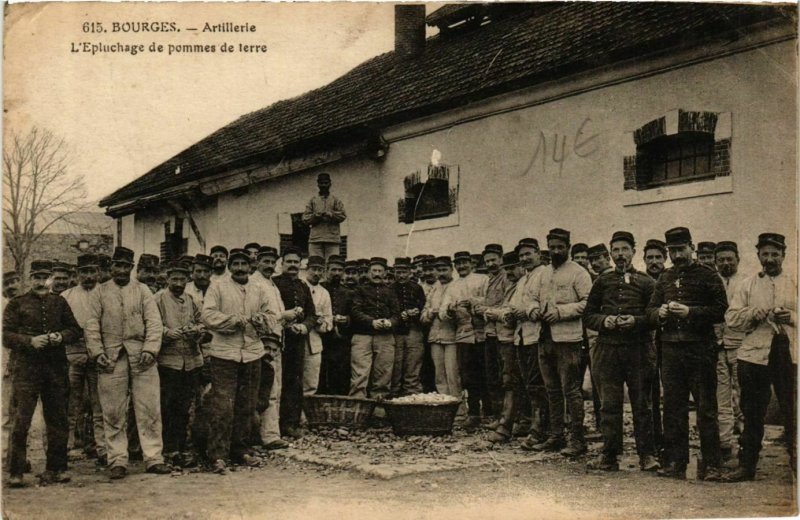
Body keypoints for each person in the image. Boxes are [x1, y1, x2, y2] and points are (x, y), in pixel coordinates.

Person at [646, 227, 728, 481]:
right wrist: (658, 313)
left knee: (706, 408)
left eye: (681, 250)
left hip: (700, 350)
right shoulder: (665, 277)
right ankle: (675, 463)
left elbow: (720, 310)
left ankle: (712, 464)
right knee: (673, 408)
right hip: (670, 350)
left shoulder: (709, 275)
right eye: (673, 251)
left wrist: (690, 313)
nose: (677, 255)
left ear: (691, 247)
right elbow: (649, 310)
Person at [85, 246, 171, 480]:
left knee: (149, 408)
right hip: (111, 358)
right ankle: (117, 460)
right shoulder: (99, 293)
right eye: (117, 266)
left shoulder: (143, 291)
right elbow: (91, 325)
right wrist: (97, 353)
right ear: (111, 267)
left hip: (142, 357)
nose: (121, 270)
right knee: (113, 411)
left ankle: (153, 458)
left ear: (132, 268)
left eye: (126, 266)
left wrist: (150, 350)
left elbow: (154, 323)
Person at [583, 232, 659, 472]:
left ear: (634, 252)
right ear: (611, 253)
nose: (620, 255)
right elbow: (589, 315)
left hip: (639, 350)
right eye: (616, 250)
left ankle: (647, 455)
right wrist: (605, 322)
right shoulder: (602, 282)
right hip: (608, 351)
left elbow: (655, 316)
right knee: (610, 405)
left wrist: (635, 322)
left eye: (625, 249)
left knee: (641, 404)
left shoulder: (647, 282)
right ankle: (609, 455)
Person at [724, 233, 796, 481]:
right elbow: (731, 319)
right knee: (752, 411)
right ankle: (747, 466)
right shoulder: (748, 285)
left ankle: (796, 467)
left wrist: (792, 317)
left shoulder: (794, 282)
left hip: (788, 353)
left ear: (783, 255)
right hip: (754, 355)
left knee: (793, 410)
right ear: (758, 256)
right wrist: (754, 313)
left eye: (775, 254)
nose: (770, 259)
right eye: (765, 254)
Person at [3, 260, 82, 488]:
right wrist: (30, 341)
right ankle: (16, 472)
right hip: (26, 371)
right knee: (21, 420)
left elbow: (76, 330)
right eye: (36, 277)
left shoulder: (60, 302)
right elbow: (5, 336)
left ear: (50, 279)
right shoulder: (17, 304)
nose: (41, 282)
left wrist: (61, 336)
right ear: (30, 279)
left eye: (45, 278)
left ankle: (57, 468)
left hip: (55, 370)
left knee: (57, 420)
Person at [201, 249, 274, 473]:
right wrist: (233, 321)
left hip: (252, 353)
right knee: (223, 405)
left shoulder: (259, 288)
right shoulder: (218, 286)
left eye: (244, 264)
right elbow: (208, 315)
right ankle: (217, 454)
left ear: (251, 266)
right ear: (230, 266)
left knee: (247, 404)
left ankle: (240, 448)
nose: (240, 268)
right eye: (236, 264)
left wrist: (262, 320)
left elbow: (272, 316)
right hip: (225, 353)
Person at [528, 229, 593, 457]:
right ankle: (556, 436)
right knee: (552, 390)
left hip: (568, 340)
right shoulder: (543, 273)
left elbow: (588, 303)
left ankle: (577, 440)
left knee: (571, 390)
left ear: (568, 247)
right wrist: (534, 310)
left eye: (560, 247)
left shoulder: (579, 273)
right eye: (552, 247)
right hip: (544, 338)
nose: (555, 251)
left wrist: (561, 312)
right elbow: (531, 298)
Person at [154, 262, 206, 468]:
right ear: (167, 279)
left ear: (188, 280)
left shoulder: (191, 300)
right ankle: (169, 449)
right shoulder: (158, 299)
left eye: (182, 279)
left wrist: (197, 330)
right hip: (168, 362)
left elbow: (203, 322)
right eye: (174, 279)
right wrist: (166, 332)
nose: (178, 283)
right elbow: (150, 324)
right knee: (168, 406)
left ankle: (182, 448)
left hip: (191, 361)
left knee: (184, 407)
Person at [61, 254, 106, 465]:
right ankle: (66, 447)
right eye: (84, 272)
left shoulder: (106, 293)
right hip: (74, 356)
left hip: (99, 357)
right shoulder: (67, 296)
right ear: (77, 274)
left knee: (100, 405)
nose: (88, 276)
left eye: (92, 271)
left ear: (98, 272)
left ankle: (102, 448)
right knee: (71, 404)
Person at [249, 246, 292, 451]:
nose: (269, 265)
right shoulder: (254, 284)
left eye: (272, 262)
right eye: (265, 261)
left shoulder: (271, 284)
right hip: (263, 343)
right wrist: (285, 316)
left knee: (275, 388)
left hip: (276, 342)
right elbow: (258, 316)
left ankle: (270, 434)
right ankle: (265, 436)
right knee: (266, 390)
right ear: (257, 262)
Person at [273, 247, 316, 439]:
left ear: (300, 265)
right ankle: (274, 425)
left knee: (295, 380)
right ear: (281, 264)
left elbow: (311, 314)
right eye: (288, 261)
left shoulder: (303, 285)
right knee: (275, 382)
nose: (292, 265)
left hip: (297, 340)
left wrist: (304, 327)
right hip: (278, 339)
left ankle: (291, 423)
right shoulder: (274, 284)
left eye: (295, 262)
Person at [442, 251, 490, 428]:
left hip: (482, 333)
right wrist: (451, 308)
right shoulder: (452, 286)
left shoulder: (482, 279)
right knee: (468, 376)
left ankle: (490, 412)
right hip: (463, 335)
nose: (461, 266)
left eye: (464, 263)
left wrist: (472, 301)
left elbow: (490, 300)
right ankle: (474, 413)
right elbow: (443, 311)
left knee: (486, 373)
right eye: (458, 264)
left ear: (472, 263)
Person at [485, 251, 526, 443]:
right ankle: (519, 420)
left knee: (513, 381)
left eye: (513, 268)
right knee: (510, 379)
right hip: (506, 339)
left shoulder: (524, 285)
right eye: (507, 268)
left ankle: (506, 426)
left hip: (516, 339)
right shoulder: (512, 286)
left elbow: (509, 316)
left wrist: (492, 313)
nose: (509, 272)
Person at [510, 238, 548, 444]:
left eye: (528, 254)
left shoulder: (544, 274)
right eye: (521, 256)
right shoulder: (523, 280)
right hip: (521, 337)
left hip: (537, 336)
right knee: (527, 383)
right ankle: (533, 422)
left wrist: (523, 311)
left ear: (538, 254)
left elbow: (542, 307)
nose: (525, 258)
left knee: (538, 383)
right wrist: (513, 313)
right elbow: (514, 305)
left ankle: (541, 427)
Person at [349, 257, 400, 400]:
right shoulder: (359, 290)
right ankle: (357, 408)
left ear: (385, 273)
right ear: (368, 273)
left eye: (380, 271)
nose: (377, 274)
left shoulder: (390, 292)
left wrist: (390, 322)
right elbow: (355, 311)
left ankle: (379, 410)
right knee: (359, 374)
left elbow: (397, 314)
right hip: (362, 336)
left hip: (385, 337)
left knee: (383, 374)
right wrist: (371, 322)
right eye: (374, 271)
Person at [713, 241, 746, 460]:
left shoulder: (747, 283)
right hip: (717, 347)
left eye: (729, 259)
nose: (726, 263)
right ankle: (724, 444)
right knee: (721, 397)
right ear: (715, 263)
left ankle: (746, 443)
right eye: (721, 260)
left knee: (743, 396)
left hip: (741, 347)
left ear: (737, 260)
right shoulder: (712, 282)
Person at [478, 244, 508, 428]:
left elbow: (506, 305)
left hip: (503, 333)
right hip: (489, 332)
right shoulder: (488, 280)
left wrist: (487, 310)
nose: (490, 264)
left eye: (493, 260)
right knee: (493, 376)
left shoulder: (506, 279)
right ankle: (498, 416)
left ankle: (507, 417)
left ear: (501, 259)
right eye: (487, 261)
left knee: (504, 376)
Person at [643, 238, 668, 455]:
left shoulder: (671, 279)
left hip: (668, 343)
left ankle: (671, 442)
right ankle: (654, 440)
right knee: (649, 395)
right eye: (649, 257)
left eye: (658, 257)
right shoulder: (639, 281)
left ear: (665, 258)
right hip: (645, 345)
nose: (654, 262)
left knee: (670, 393)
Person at [422, 257, 459, 403]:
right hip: (435, 337)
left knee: (453, 375)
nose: (441, 273)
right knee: (440, 375)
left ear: (451, 270)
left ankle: (459, 410)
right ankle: (445, 407)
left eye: (444, 270)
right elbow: (423, 314)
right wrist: (430, 313)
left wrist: (449, 312)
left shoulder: (457, 286)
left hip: (452, 337)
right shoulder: (434, 289)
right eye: (438, 270)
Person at [389, 257, 426, 397]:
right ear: (394, 272)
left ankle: (412, 396)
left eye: (404, 272)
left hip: (414, 331)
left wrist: (416, 312)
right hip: (396, 333)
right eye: (398, 272)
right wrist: (399, 315)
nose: (401, 275)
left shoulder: (417, 288)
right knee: (396, 367)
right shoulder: (389, 289)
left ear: (410, 272)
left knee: (413, 365)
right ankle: (394, 397)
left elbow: (423, 306)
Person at [320, 256, 354, 396]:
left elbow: (354, 315)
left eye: (340, 270)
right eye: (333, 270)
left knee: (340, 370)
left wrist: (346, 319)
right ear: (327, 271)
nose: (337, 273)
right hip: (321, 336)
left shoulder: (348, 292)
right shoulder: (320, 289)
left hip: (341, 338)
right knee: (321, 369)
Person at [302, 256, 333, 396]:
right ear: (306, 269)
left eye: (320, 270)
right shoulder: (299, 286)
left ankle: (307, 414)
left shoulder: (324, 293)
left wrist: (321, 323)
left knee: (311, 382)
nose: (317, 273)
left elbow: (329, 321)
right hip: (296, 340)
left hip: (314, 343)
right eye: (314, 269)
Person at [302, 172, 346, 260]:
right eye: (321, 183)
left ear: (330, 184)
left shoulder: (335, 200)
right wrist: (315, 216)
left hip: (332, 239)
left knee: (332, 263)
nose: (324, 185)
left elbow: (343, 215)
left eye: (326, 183)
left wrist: (332, 214)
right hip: (315, 239)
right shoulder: (313, 200)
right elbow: (305, 218)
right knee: (316, 264)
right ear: (318, 184)